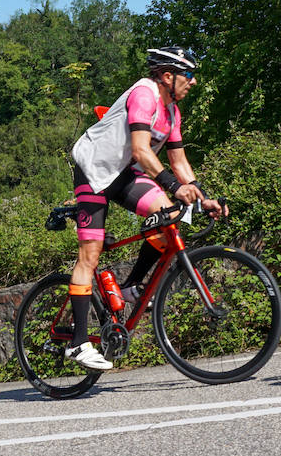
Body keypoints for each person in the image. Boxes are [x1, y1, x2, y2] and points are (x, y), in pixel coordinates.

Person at [66, 47, 228, 370]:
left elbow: (179, 161)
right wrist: (174, 185)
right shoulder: (144, 94)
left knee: (169, 215)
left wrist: (202, 197)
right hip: (93, 169)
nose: (193, 82)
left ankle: (130, 285)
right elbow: (141, 151)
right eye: (189, 75)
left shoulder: (172, 113)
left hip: (122, 173)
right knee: (90, 253)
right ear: (168, 76)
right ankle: (78, 343)